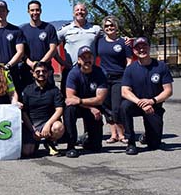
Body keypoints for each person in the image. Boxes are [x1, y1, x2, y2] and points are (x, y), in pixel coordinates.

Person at [121, 37, 173, 155]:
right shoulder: (130, 69)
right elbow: (125, 91)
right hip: (136, 104)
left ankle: (148, 137)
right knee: (124, 106)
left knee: (154, 145)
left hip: (154, 105)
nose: (141, 49)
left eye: (144, 46)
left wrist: (152, 101)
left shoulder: (161, 66)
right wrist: (140, 102)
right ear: (134, 51)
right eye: (138, 47)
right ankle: (130, 142)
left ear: (149, 48)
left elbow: (168, 91)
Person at [63, 46, 108, 158]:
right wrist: (90, 107)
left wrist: (82, 101)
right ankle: (71, 146)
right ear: (79, 60)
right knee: (69, 110)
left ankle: (87, 140)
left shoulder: (100, 72)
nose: (87, 60)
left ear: (93, 58)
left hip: (92, 106)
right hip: (82, 107)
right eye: (84, 58)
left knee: (96, 147)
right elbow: (70, 98)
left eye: (89, 57)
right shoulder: (73, 73)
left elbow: (100, 99)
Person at [96, 16, 132, 144]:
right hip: (104, 78)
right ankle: (113, 134)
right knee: (106, 107)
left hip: (119, 78)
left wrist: (126, 76)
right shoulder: (99, 41)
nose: (109, 28)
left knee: (117, 107)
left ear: (116, 27)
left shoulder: (123, 42)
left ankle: (122, 134)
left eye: (111, 25)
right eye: (106, 26)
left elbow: (129, 61)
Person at [56, 3, 102, 94]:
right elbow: (52, 46)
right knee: (68, 101)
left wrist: (125, 39)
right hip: (71, 70)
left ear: (87, 13)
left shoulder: (96, 29)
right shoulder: (66, 29)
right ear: (73, 13)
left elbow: (110, 39)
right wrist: (62, 63)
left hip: (90, 71)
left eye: (82, 10)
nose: (80, 12)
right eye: (77, 10)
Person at [21, 61, 65, 157]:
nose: (41, 74)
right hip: (32, 125)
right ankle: (35, 142)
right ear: (32, 73)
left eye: (44, 71)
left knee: (58, 127)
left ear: (48, 73)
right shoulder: (27, 90)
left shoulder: (54, 90)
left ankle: (49, 142)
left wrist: (48, 125)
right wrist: (33, 130)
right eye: (38, 72)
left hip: (48, 123)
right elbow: (23, 113)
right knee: (27, 152)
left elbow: (59, 110)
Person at [20, 0, 58, 86]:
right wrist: (31, 64)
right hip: (28, 70)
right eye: (32, 10)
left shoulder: (49, 28)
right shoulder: (22, 30)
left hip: (46, 70)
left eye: (37, 10)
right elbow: (21, 52)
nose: (35, 12)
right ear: (28, 11)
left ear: (41, 11)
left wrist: (40, 64)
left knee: (49, 96)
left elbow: (53, 49)